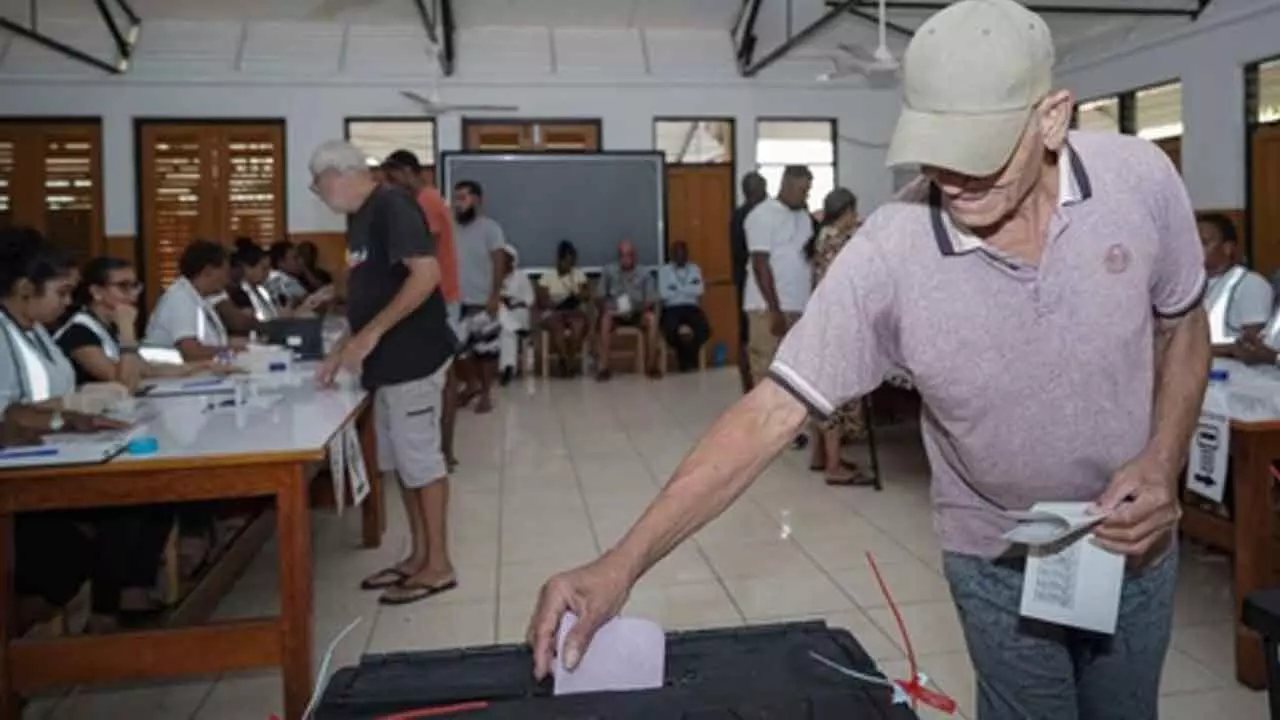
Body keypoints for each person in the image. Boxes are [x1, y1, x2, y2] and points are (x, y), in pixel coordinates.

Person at [527, 3, 1210, 719]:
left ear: (1052, 119)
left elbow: (1183, 324)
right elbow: (768, 415)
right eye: (935, 148)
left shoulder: (1140, 181)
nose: (953, 177)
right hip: (997, 554)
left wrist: (1164, 458)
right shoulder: (891, 253)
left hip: (1135, 542)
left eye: (979, 148)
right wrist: (622, 560)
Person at [309, 139, 456, 605]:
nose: (316, 193)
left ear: (339, 174)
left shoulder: (393, 205)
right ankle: (417, 556)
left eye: (317, 184)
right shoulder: (361, 215)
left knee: (422, 463)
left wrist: (370, 335)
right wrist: (342, 345)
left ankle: (439, 564)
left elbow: (425, 276)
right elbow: (368, 290)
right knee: (403, 467)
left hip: (413, 357)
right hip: (386, 365)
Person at [0, 229, 162, 634]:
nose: (67, 302)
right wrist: (68, 414)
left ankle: (102, 613)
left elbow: (57, 396)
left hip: (54, 453)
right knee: (109, 520)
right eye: (61, 292)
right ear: (24, 288)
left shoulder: (34, 330)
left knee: (147, 497)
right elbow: (11, 415)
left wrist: (79, 411)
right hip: (19, 472)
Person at [381, 150, 463, 470]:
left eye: (392, 178)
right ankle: (442, 449)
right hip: (437, 295)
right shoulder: (424, 199)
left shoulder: (425, 201)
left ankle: (444, 450)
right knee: (444, 374)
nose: (389, 186)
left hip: (436, 297)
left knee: (441, 376)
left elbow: (417, 248)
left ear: (407, 172)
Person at [56, 257, 220, 392]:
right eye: (123, 287)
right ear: (97, 292)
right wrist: (127, 332)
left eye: (135, 286)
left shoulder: (107, 326)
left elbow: (146, 369)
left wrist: (204, 366)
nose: (133, 295)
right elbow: (125, 385)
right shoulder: (79, 332)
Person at [802, 189, 869, 486]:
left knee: (822, 391)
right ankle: (833, 466)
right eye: (853, 212)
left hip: (822, 321)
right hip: (838, 324)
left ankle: (821, 456)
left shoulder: (824, 235)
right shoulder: (840, 240)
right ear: (847, 211)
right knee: (836, 395)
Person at [452, 180, 505, 414]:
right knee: (457, 350)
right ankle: (471, 384)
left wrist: (494, 296)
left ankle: (485, 394)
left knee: (486, 351)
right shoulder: (451, 227)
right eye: (456, 198)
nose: (458, 204)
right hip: (456, 301)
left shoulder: (490, 228)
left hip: (483, 300)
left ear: (477, 200)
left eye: (463, 198)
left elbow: (499, 263)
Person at [145, 240, 245, 362]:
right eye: (225, 272)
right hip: (172, 376)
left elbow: (212, 340)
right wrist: (231, 350)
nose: (227, 279)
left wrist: (246, 346)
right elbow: (190, 352)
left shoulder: (201, 298)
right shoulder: (180, 298)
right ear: (208, 271)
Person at [1198, 212, 1271, 353]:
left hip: (1237, 373)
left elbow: (1252, 349)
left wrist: (1192, 351)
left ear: (1228, 248)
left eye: (1204, 243)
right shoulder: (1189, 286)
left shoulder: (1250, 284)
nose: (1194, 249)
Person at [597, 239, 660, 381]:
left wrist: (636, 308)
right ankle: (604, 368)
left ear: (635, 256)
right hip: (615, 313)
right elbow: (600, 296)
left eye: (628, 255)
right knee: (605, 319)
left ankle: (652, 366)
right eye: (622, 255)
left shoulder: (645, 273)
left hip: (637, 312)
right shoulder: (609, 271)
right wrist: (606, 307)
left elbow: (650, 299)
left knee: (652, 318)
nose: (625, 259)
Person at [730, 172, 768, 393]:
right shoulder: (751, 216)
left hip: (745, 285)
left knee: (746, 338)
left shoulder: (739, 215)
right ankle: (751, 385)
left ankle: (749, 387)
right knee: (750, 340)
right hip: (752, 284)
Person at [536, 240, 592, 377]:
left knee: (578, 325)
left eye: (572, 262)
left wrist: (577, 294)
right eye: (567, 261)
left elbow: (586, 294)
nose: (570, 265)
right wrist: (557, 302)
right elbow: (542, 300)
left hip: (572, 311)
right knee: (557, 327)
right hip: (554, 312)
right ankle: (564, 359)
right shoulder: (547, 276)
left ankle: (570, 361)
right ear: (559, 260)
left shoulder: (578, 275)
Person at [657, 241, 710, 372]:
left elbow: (699, 290)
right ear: (672, 255)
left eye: (683, 253)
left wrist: (676, 288)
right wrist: (688, 288)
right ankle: (686, 360)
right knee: (670, 329)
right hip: (671, 308)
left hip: (691, 307)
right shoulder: (664, 271)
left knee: (704, 329)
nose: (680, 256)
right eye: (677, 253)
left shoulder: (695, 269)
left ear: (687, 254)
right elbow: (664, 294)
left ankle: (688, 359)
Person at [497, 244, 534, 385]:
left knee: (505, 329)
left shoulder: (521, 277)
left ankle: (506, 368)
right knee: (505, 325)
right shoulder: (494, 276)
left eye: (507, 259)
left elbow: (530, 300)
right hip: (501, 316)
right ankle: (508, 367)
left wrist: (515, 302)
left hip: (519, 313)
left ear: (513, 261)